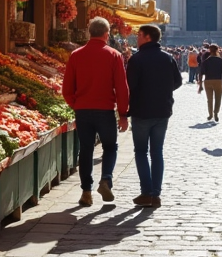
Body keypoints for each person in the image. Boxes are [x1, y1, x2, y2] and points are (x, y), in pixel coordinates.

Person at [61, 16, 129, 205]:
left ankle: (86, 192)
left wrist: (76, 104)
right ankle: (106, 178)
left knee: (86, 150)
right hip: (105, 111)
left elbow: (67, 89)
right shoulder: (114, 55)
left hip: (83, 110)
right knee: (110, 147)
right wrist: (123, 114)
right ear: (107, 34)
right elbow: (122, 88)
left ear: (89, 33)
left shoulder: (76, 55)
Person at [124, 24, 182, 208]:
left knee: (141, 152)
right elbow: (178, 82)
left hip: (141, 112)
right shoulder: (168, 58)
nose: (137, 38)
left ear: (147, 37)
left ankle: (146, 192)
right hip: (162, 111)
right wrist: (163, 92)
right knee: (157, 152)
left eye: (139, 35)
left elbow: (129, 87)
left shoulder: (137, 59)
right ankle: (155, 194)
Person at [198, 44, 222, 121]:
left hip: (208, 81)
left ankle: (210, 114)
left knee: (209, 99)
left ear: (209, 50)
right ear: (217, 50)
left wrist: (200, 85)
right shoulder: (221, 61)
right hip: (218, 80)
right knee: (218, 98)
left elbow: (201, 73)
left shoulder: (205, 61)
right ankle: (216, 113)